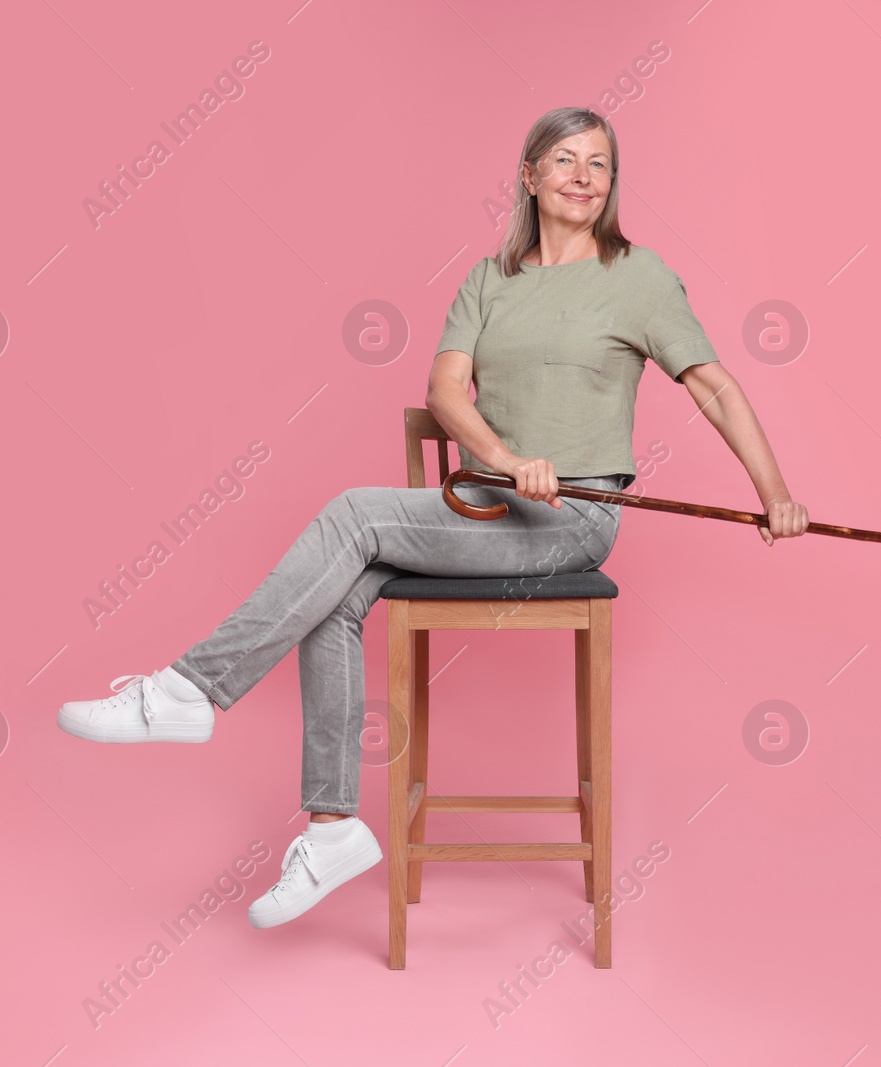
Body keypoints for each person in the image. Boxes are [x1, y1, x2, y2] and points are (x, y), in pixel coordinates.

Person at [55, 106, 810, 931]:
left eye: (600, 163)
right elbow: (446, 393)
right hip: (487, 499)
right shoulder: (490, 279)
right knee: (339, 588)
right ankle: (334, 828)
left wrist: (775, 493)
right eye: (565, 160)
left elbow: (714, 386)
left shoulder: (638, 276)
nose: (584, 177)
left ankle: (188, 691)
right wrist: (503, 450)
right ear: (530, 175)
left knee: (350, 515)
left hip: (572, 517)